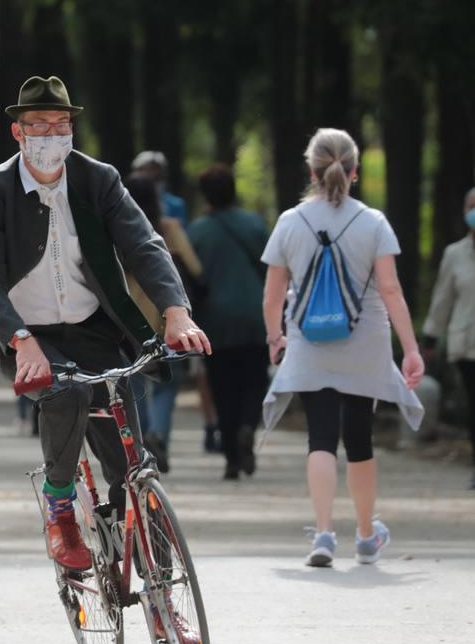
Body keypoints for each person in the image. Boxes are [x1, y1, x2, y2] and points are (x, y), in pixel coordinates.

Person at [0, 75, 209, 644]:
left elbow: (145, 246)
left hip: (94, 327)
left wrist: (176, 312)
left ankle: (165, 606)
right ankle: (61, 506)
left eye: (59, 126)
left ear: (71, 130)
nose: (49, 136)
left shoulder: (98, 179)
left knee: (135, 469)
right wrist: (20, 341)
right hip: (24, 331)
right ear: (17, 132)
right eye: (36, 126)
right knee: (63, 393)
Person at [261, 128, 424, 568]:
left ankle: (324, 534)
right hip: (366, 341)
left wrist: (276, 338)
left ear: (311, 171)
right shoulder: (373, 222)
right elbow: (391, 290)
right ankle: (367, 535)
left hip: (309, 341)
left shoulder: (290, 223)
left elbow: (273, 295)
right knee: (359, 437)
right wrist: (409, 349)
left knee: (320, 436)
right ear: (353, 171)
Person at [187, 164, 269, 480]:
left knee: (223, 389)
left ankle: (232, 458)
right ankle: (249, 425)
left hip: (215, 321)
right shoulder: (254, 225)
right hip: (254, 314)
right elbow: (272, 270)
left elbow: (189, 279)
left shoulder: (196, 232)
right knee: (255, 381)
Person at [122, 173, 204, 473]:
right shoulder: (169, 228)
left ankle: (144, 442)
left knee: (135, 380)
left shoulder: (116, 229)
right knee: (168, 383)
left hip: (129, 317)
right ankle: (160, 432)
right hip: (168, 316)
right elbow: (194, 267)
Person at [422, 188, 475, 491]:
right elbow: (442, 299)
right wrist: (430, 339)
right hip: (466, 343)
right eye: (471, 206)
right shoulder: (455, 255)